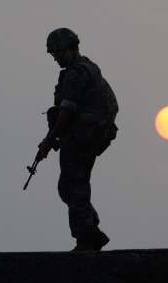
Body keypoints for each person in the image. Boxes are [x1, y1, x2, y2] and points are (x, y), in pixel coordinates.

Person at [38, 28, 119, 251]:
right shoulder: (89, 68)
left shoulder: (76, 72)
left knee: (74, 187)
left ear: (68, 49)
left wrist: (49, 139)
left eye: (57, 53)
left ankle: (85, 240)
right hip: (87, 137)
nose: (55, 58)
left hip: (80, 138)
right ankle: (92, 233)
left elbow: (67, 110)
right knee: (71, 187)